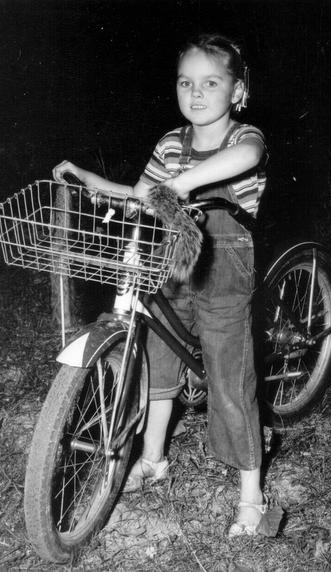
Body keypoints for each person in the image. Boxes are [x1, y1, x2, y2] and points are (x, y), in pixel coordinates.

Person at [53, 33, 268, 537]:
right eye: (185, 82)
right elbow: (140, 193)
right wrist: (92, 179)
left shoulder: (243, 138)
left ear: (237, 91)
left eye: (211, 83)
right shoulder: (171, 143)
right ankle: (152, 458)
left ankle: (251, 492)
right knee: (157, 354)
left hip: (223, 270)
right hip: (170, 264)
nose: (196, 93)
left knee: (228, 376)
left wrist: (184, 184)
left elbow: (249, 158)